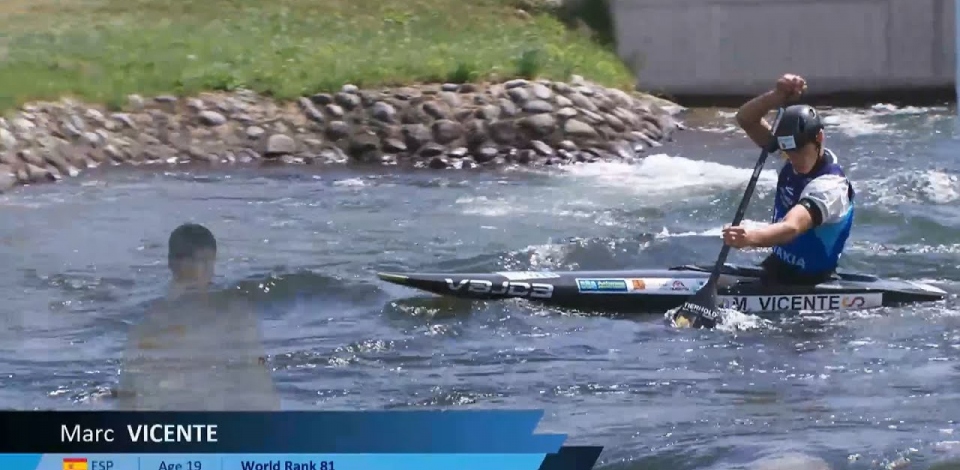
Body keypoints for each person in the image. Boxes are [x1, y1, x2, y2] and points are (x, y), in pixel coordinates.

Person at [116, 223, 281, 410]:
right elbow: (129, 391)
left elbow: (258, 381)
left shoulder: (234, 314)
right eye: (191, 261)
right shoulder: (148, 323)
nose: (197, 270)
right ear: (172, 263)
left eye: (205, 262)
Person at [721, 74, 855, 285]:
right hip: (777, 267)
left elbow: (792, 227)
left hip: (810, 283)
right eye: (788, 152)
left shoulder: (830, 187)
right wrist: (776, 96)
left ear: (818, 138)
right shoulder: (793, 150)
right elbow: (746, 119)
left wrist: (751, 238)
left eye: (799, 152)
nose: (793, 159)